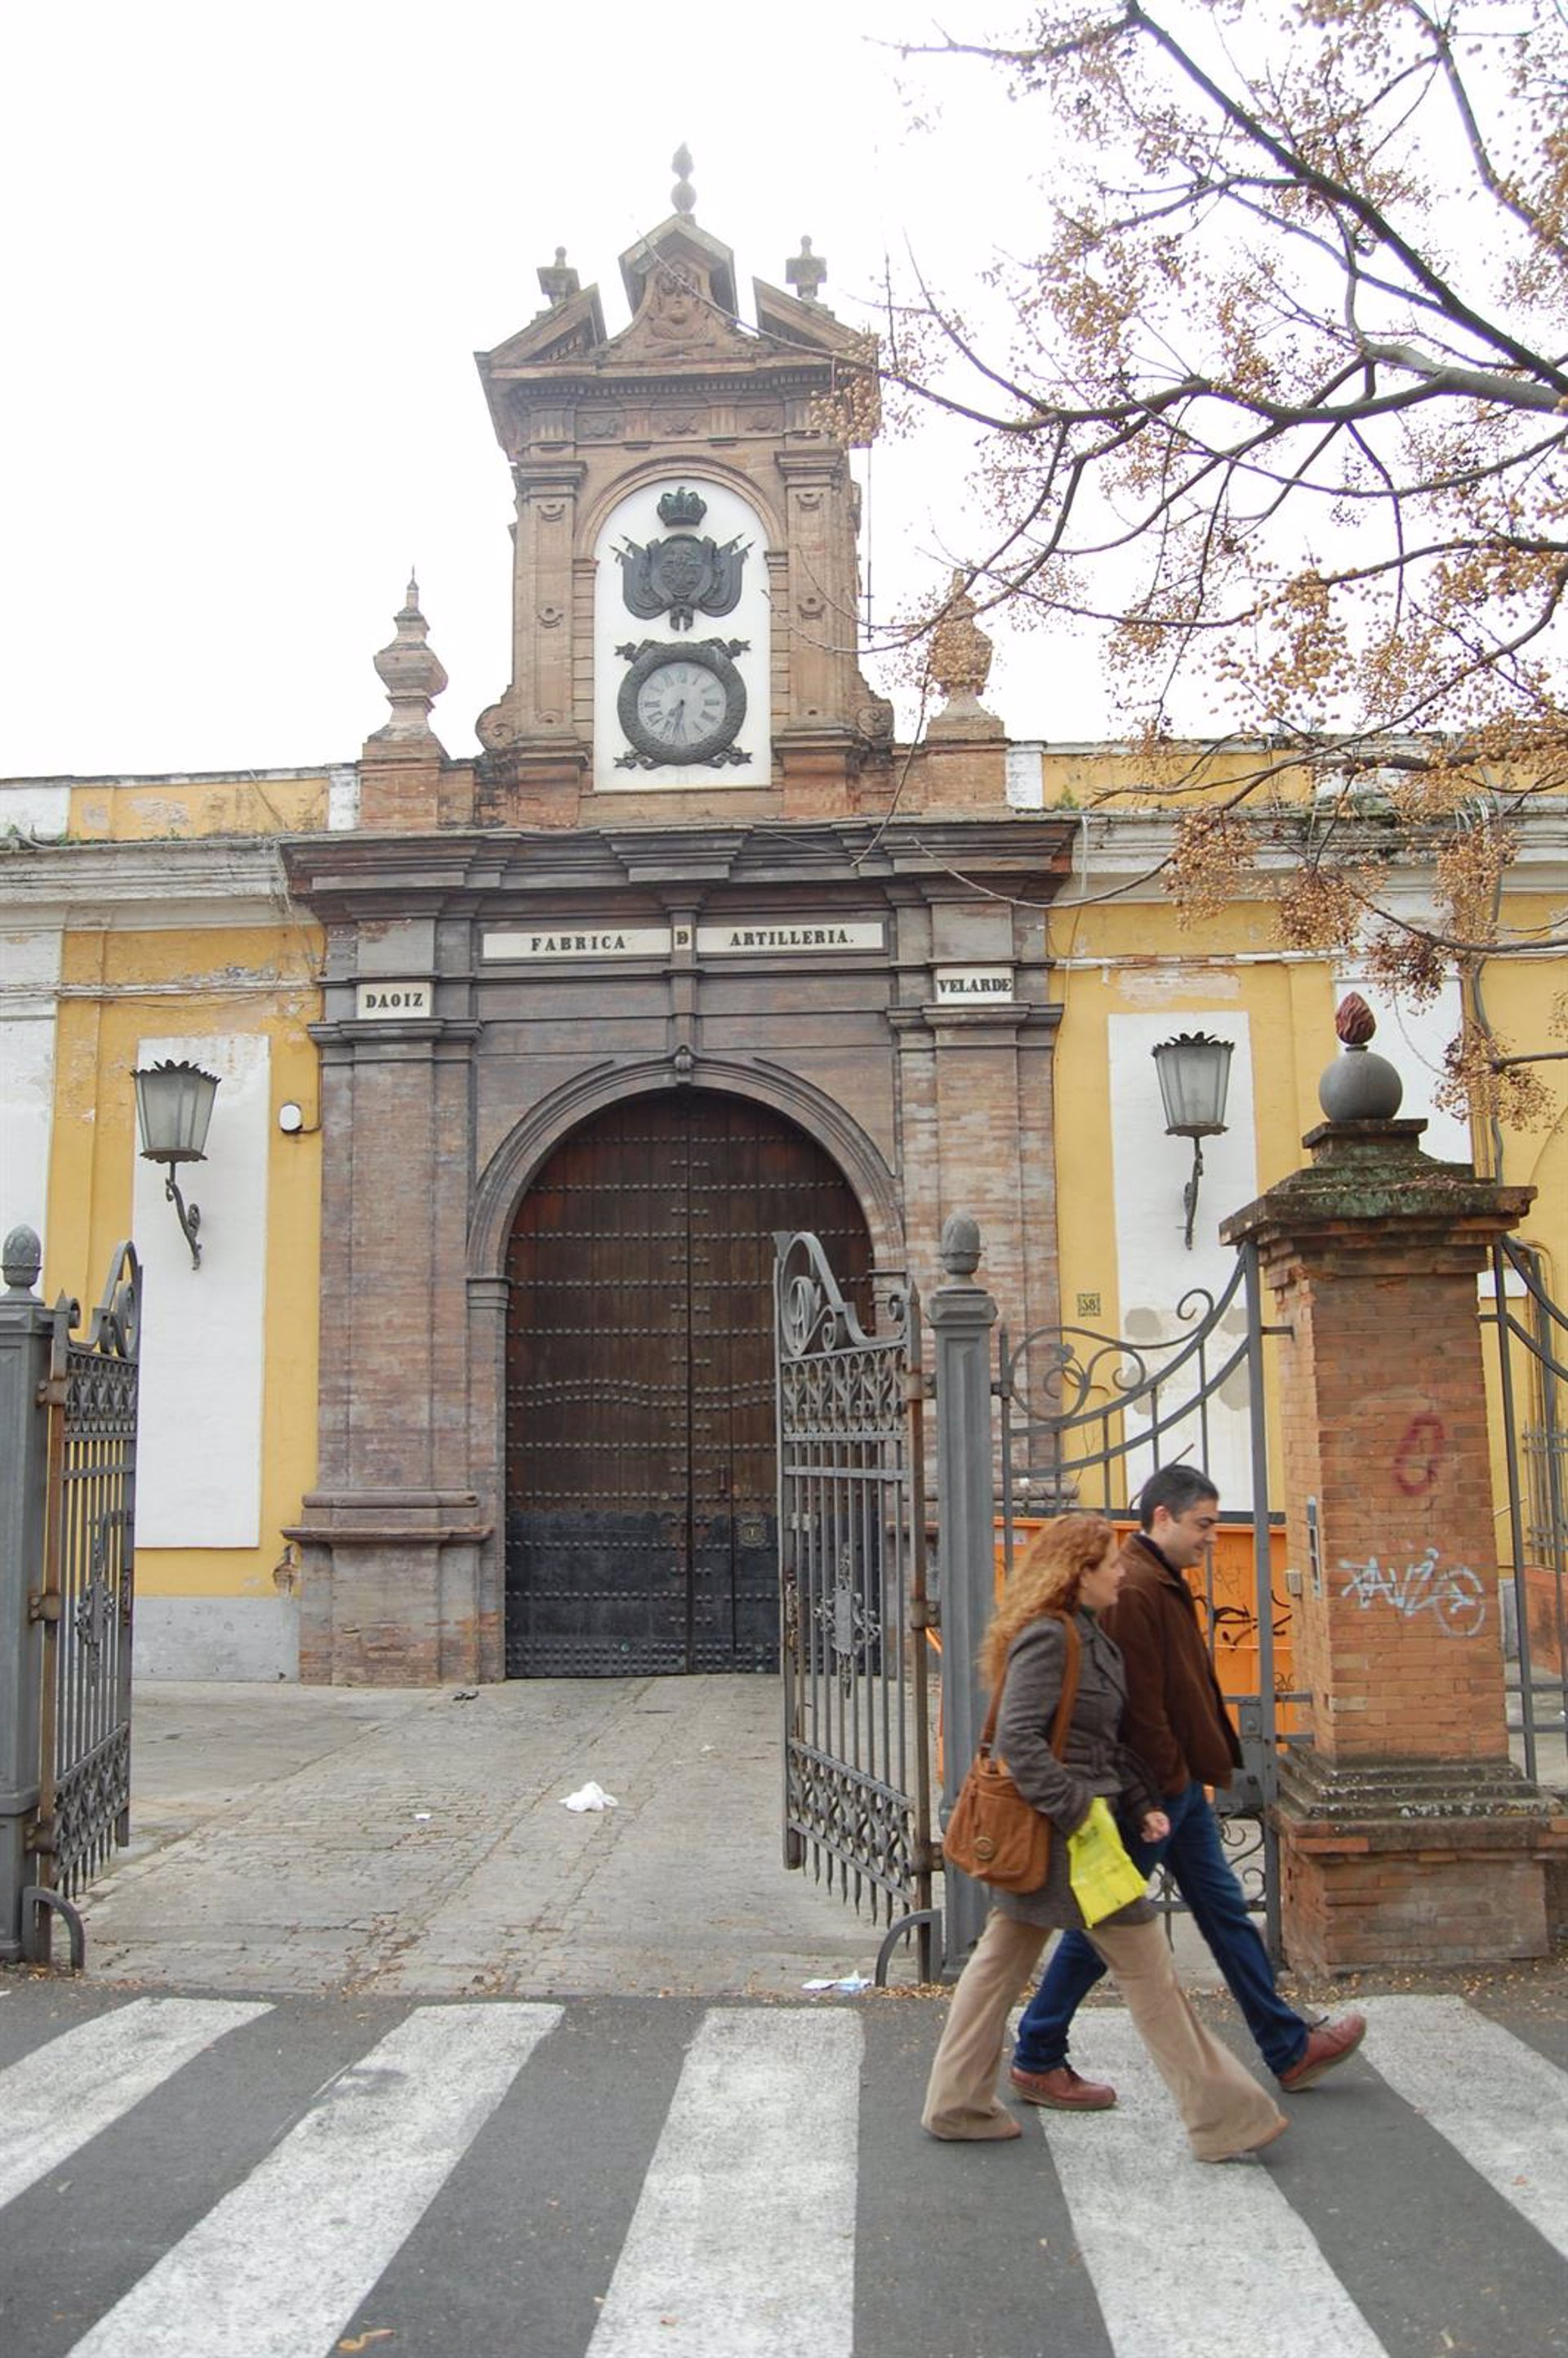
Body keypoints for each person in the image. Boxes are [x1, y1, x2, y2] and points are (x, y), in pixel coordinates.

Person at [922, 1512, 1286, 2162]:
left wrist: (1142, 1802)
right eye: (1110, 1564)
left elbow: (1101, 1742)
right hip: (1069, 1837)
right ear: (1078, 1574)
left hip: (1078, 1829)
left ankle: (957, 2101)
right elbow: (1019, 1741)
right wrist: (1076, 1810)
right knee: (1150, 1970)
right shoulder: (1050, 1637)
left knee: (999, 1964)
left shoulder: (1091, 1636)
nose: (1122, 1572)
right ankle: (1224, 2116)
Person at [1009, 1466, 1366, 2112]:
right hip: (1152, 1791)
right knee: (1108, 1925)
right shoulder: (1139, 1588)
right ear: (1162, 1518)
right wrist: (1162, 1791)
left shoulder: (1158, 1580)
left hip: (1171, 1787)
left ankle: (1288, 2045)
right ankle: (1037, 2050)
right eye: (1203, 1523)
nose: (1213, 1536)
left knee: (1222, 1912)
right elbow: (1138, 1708)